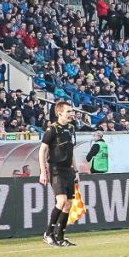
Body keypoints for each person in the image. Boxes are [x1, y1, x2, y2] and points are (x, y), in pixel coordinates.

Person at [39, 100, 79, 247]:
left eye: (72, 111)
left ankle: (61, 237)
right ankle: (48, 234)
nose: (71, 114)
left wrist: (76, 170)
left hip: (68, 170)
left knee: (68, 204)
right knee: (61, 201)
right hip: (56, 169)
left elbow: (71, 151)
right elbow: (42, 150)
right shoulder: (52, 130)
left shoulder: (71, 128)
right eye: (68, 111)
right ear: (59, 113)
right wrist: (43, 172)